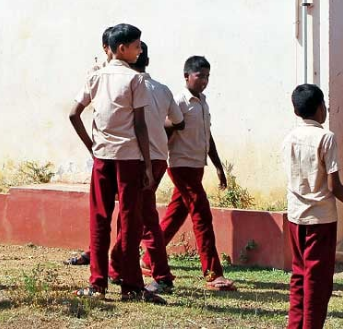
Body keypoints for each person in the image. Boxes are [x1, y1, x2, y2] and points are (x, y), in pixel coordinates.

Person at [69, 23, 162, 303]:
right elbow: (140, 125)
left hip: (103, 157)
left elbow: (74, 114)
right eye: (137, 45)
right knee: (130, 221)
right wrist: (147, 164)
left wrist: (92, 146)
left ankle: (97, 284)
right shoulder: (136, 79)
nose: (140, 50)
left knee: (99, 220)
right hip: (129, 159)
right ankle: (131, 286)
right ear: (122, 48)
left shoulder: (95, 78)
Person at [283, 84, 343, 329]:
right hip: (320, 218)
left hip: (296, 214)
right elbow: (333, 184)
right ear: (320, 109)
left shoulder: (289, 138)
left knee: (299, 275)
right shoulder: (325, 137)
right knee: (318, 281)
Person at [156, 56, 237, 291]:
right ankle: (213, 274)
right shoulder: (180, 101)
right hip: (180, 166)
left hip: (196, 165)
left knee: (176, 214)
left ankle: (150, 257)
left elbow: (207, 136)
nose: (204, 81)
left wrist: (219, 166)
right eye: (199, 76)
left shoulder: (202, 102)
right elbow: (164, 128)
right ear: (187, 76)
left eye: (207, 76)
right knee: (202, 216)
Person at [111, 42, 184, 294]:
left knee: (142, 216)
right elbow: (178, 121)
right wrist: (159, 137)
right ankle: (120, 267)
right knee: (133, 213)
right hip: (157, 157)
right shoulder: (162, 89)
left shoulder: (126, 85)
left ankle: (159, 274)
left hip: (136, 158)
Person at [65, 26, 115, 267]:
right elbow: (75, 112)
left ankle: (112, 260)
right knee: (103, 210)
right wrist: (91, 146)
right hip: (107, 150)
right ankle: (98, 257)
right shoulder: (97, 75)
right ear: (108, 48)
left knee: (121, 210)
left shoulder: (131, 75)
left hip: (121, 152)